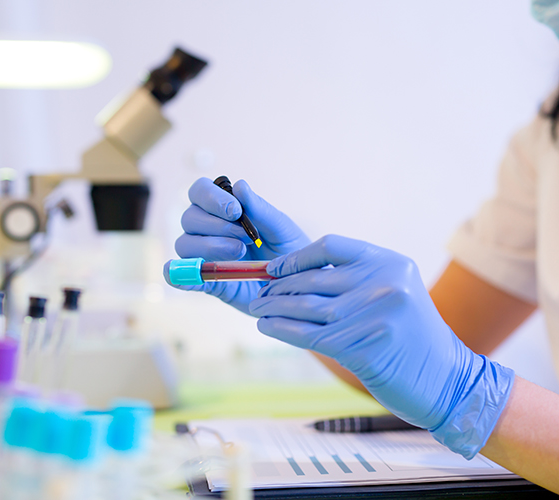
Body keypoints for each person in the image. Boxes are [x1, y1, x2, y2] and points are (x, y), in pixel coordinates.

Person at [164, 2, 559, 494]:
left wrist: (469, 397)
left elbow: (444, 375)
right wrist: (303, 297)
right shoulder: (549, 133)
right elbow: (409, 357)